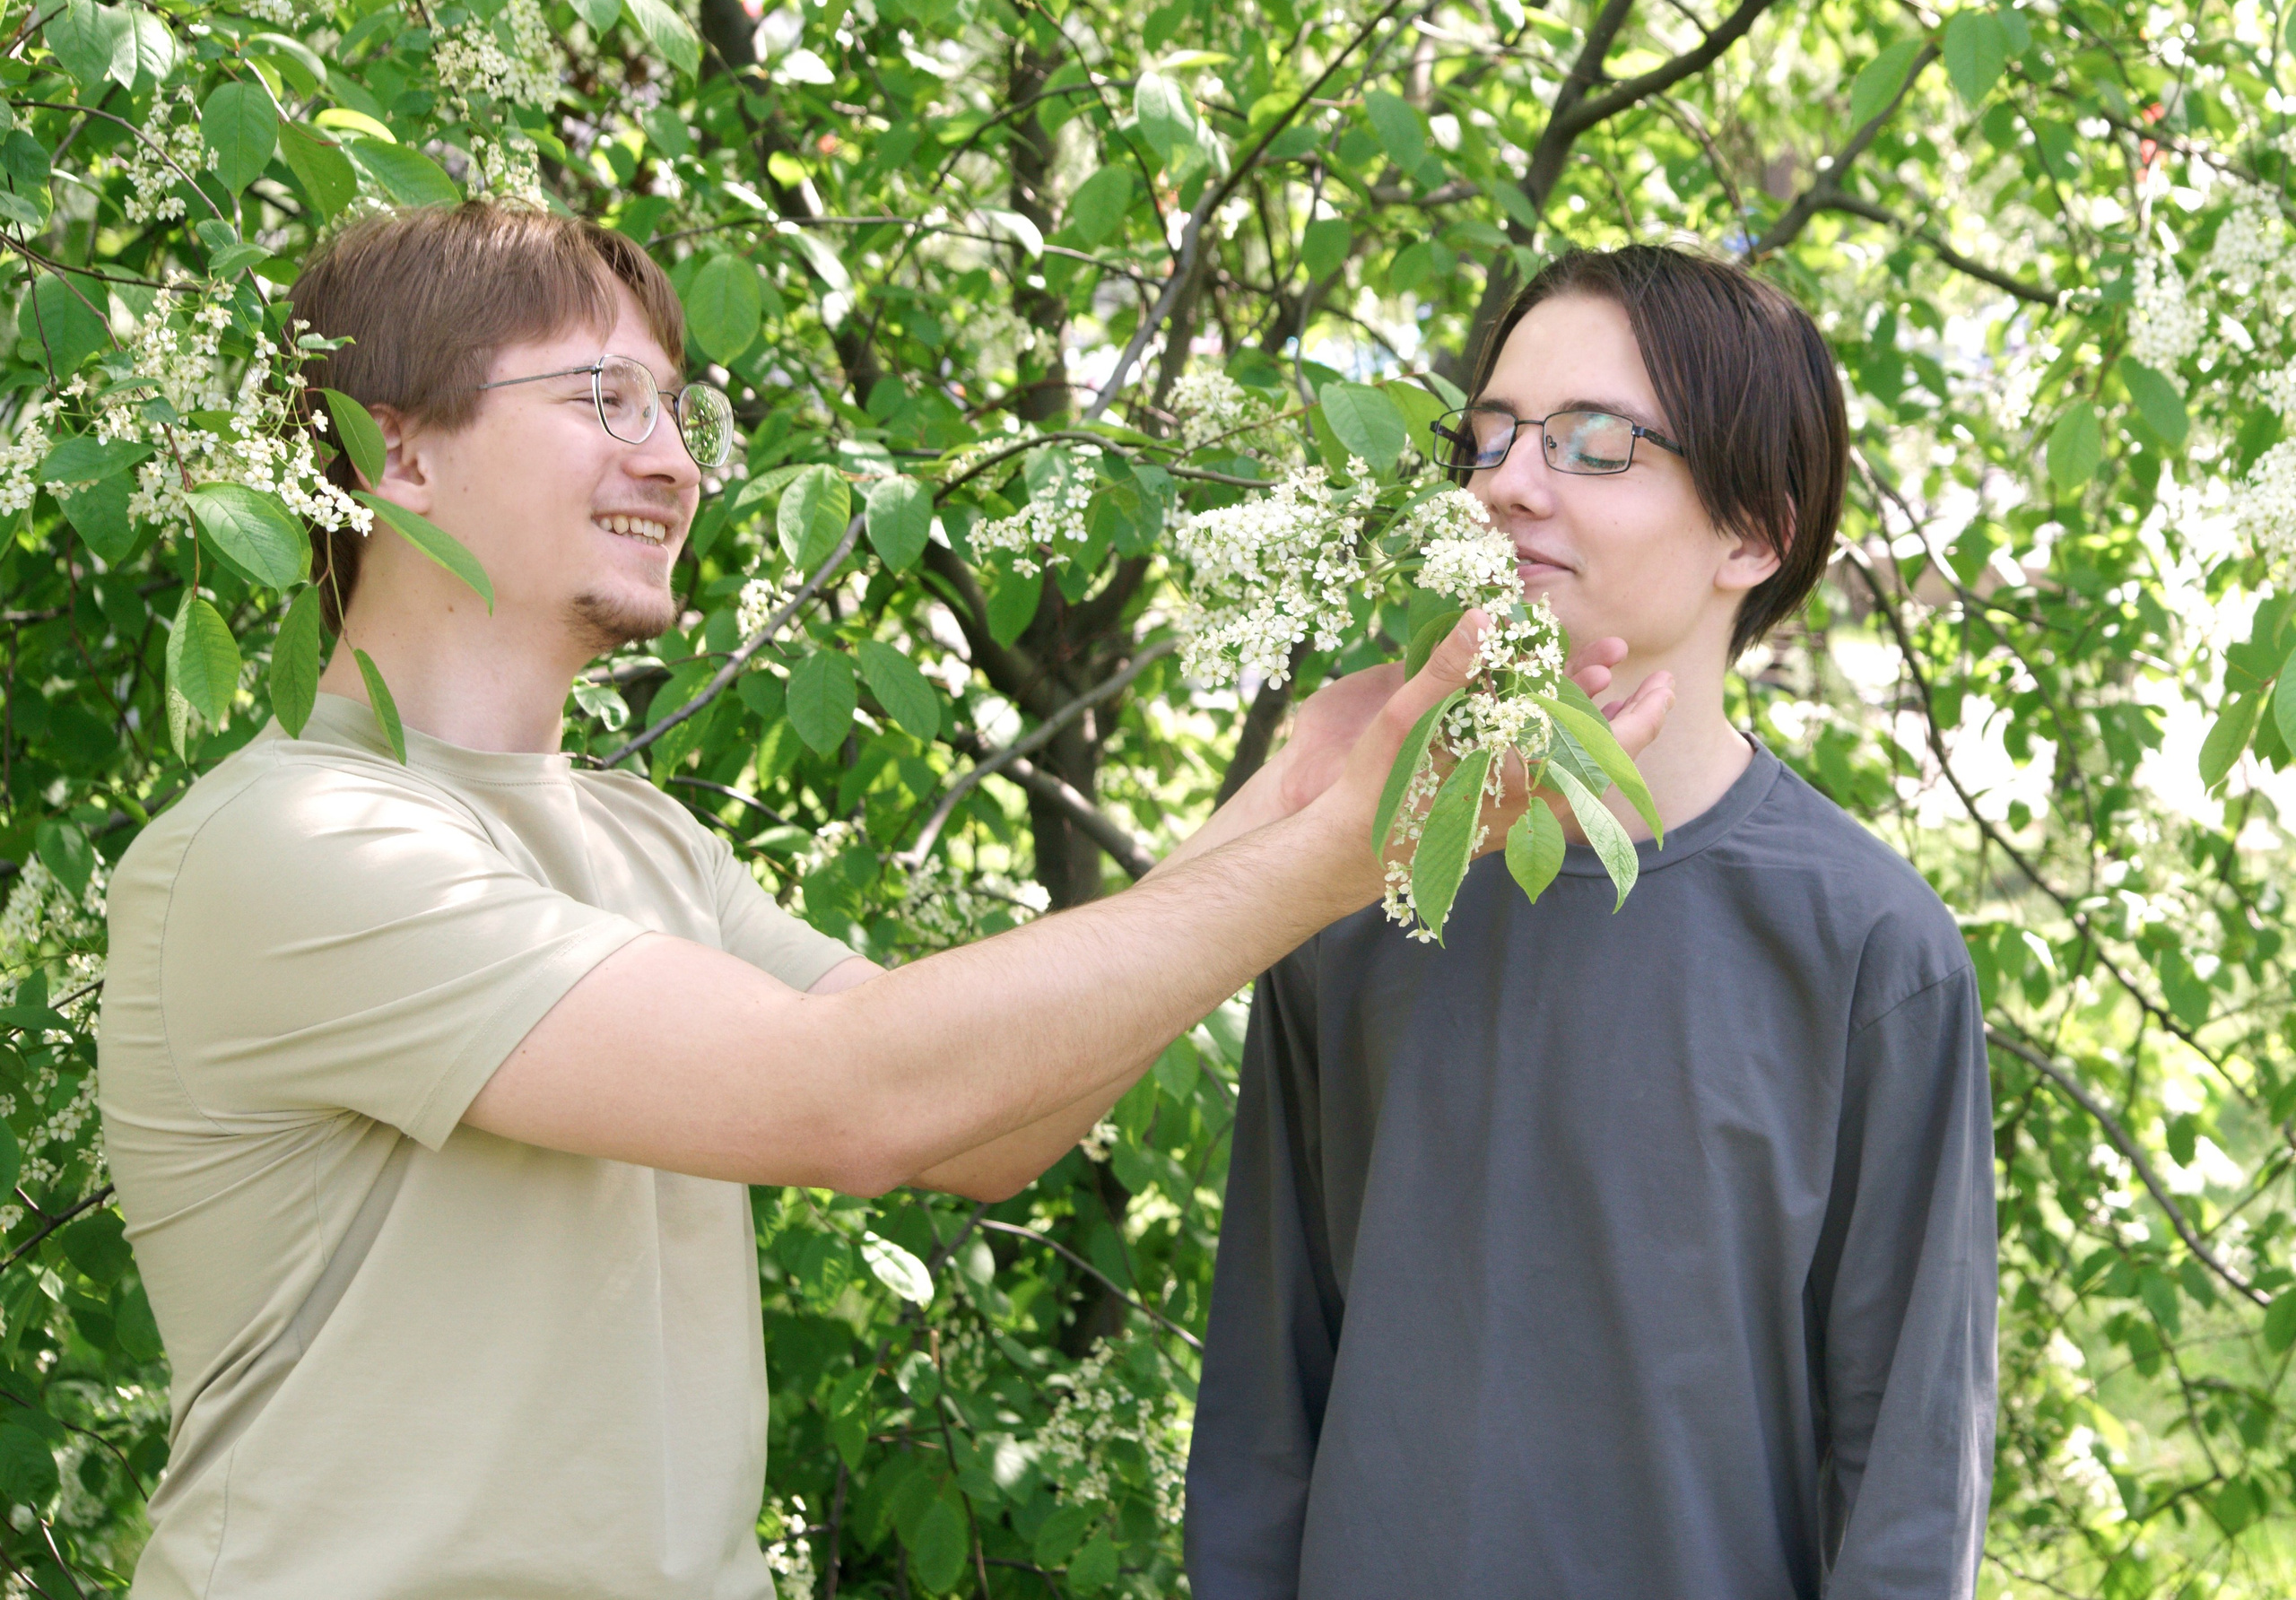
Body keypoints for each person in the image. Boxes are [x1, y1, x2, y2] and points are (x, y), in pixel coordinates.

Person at [92, 203, 1668, 1598]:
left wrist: (1290, 799)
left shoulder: (646, 844)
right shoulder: (293, 849)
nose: (674, 460)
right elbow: (852, 1100)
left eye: (677, 408)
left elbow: (984, 1129)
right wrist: (1339, 857)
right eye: (603, 398)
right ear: (396, 454)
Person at [1185, 245, 1996, 1599]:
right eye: (1490, 434)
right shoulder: (1359, 887)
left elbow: (1910, 1485)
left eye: (1596, 441)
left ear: (1756, 533)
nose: (1509, 482)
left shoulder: (1868, 953)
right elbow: (1263, 1415)